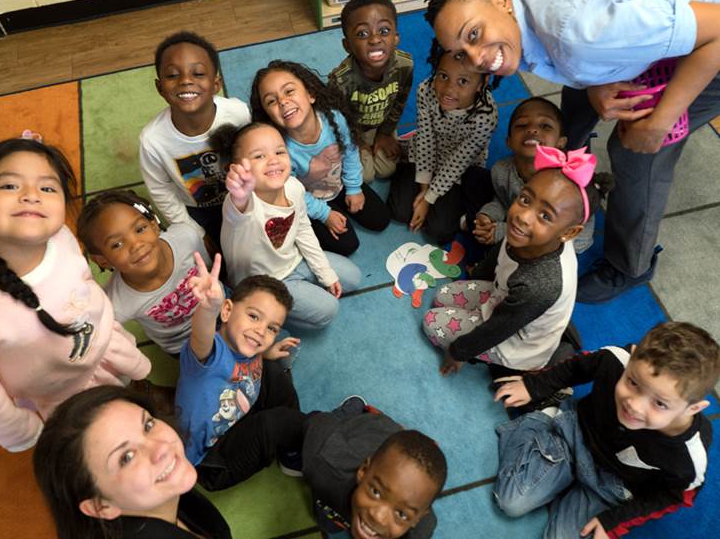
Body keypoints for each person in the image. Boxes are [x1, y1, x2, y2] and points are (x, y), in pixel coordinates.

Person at [425, 0, 720, 302]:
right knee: (579, 100)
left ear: (500, 0)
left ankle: (631, 266)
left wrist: (660, 122)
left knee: (634, 152)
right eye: (460, 53)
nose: (477, 58)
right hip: (636, 25)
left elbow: (717, 29)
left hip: (713, 35)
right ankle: (572, 178)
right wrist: (593, 82)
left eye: (474, 34)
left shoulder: (579, 37)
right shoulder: (535, 16)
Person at [0, 136, 150, 452]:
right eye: (9, 186)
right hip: (57, 393)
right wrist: (22, 431)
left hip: (104, 351)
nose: (31, 196)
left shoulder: (62, 237)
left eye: (48, 188)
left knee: (132, 403)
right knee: (94, 448)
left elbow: (83, 283)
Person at [492, 321, 720, 538]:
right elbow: (576, 367)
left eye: (659, 403)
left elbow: (670, 497)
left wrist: (614, 521)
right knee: (511, 502)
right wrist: (534, 386)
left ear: (693, 408)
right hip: (574, 434)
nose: (634, 404)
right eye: (633, 382)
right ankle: (547, 412)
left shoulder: (690, 458)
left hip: (613, 485)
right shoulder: (616, 359)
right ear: (633, 355)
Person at [423, 146, 613, 377]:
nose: (523, 216)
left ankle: (508, 365)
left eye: (545, 216)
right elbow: (498, 254)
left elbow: (498, 329)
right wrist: (479, 275)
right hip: (503, 299)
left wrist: (458, 352)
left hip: (515, 341)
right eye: (525, 199)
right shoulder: (527, 235)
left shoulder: (540, 284)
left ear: (569, 233)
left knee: (432, 323)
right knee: (442, 296)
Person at [213, 122, 361, 330]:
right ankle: (254, 309)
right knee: (327, 311)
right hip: (263, 283)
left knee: (353, 278)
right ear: (236, 169)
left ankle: (291, 297)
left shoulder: (293, 187)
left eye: (279, 151)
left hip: (294, 260)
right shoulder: (240, 203)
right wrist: (240, 196)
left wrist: (324, 272)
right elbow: (239, 214)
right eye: (259, 156)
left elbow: (302, 229)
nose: (273, 160)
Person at [175, 258, 306, 491]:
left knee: (275, 374)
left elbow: (252, 356)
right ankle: (299, 434)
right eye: (254, 316)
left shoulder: (247, 343)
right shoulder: (207, 355)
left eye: (272, 328)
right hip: (213, 461)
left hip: (237, 413)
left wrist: (267, 353)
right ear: (226, 310)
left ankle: (292, 441)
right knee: (272, 425)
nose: (260, 331)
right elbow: (201, 338)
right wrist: (207, 308)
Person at [33, 385, 232, 539]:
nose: (160, 447)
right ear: (101, 506)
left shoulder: (164, 494)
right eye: (126, 457)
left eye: (148, 424)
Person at [250, 60, 390, 257]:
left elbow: (349, 152)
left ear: (311, 94)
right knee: (348, 244)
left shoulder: (334, 119)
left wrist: (354, 188)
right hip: (311, 199)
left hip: (338, 184)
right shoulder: (279, 150)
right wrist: (324, 214)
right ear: (268, 116)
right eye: (271, 101)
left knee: (381, 219)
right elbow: (290, 191)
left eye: (289, 91)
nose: (282, 101)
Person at [139, 31, 250, 247]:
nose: (186, 81)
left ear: (216, 83)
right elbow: (161, 191)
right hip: (197, 210)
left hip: (244, 194)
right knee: (208, 257)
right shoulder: (152, 140)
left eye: (198, 73)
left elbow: (258, 155)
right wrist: (196, 232)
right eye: (172, 75)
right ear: (160, 87)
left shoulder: (238, 113)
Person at [77, 190, 210, 356]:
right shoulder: (115, 303)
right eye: (117, 244)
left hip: (218, 309)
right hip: (182, 344)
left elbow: (208, 265)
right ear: (103, 261)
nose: (136, 245)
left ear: (154, 225)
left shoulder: (186, 236)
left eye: (140, 229)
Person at [388, 40, 497, 243]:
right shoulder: (426, 90)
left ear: (481, 84)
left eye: (463, 81)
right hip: (424, 153)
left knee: (440, 231)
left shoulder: (485, 117)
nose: (448, 89)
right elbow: (426, 139)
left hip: (459, 169)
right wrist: (423, 190)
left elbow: (457, 162)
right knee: (399, 211)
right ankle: (409, 159)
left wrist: (428, 199)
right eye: (443, 76)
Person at [303, 397, 447, 539]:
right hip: (366, 427)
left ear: (418, 518)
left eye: (402, 514)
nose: (379, 517)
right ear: (363, 471)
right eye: (376, 492)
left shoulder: (420, 532)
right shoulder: (324, 461)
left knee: (329, 519)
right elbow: (317, 423)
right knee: (326, 511)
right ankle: (350, 413)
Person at [475, 97, 596, 254]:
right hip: (518, 224)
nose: (532, 130)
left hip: (553, 246)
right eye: (522, 125)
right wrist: (488, 215)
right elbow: (502, 201)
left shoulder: (564, 187)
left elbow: (573, 238)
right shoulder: (501, 170)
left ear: (561, 142)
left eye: (545, 126)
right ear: (509, 141)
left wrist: (503, 232)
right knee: (474, 177)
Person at [328, 0, 414, 183]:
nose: (375, 39)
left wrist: (385, 133)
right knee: (365, 177)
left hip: (383, 125)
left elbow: (400, 101)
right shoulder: (340, 80)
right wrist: (358, 142)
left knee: (387, 170)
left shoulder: (404, 65)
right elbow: (338, 119)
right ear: (347, 45)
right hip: (354, 131)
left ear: (396, 37)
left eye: (384, 31)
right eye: (362, 34)